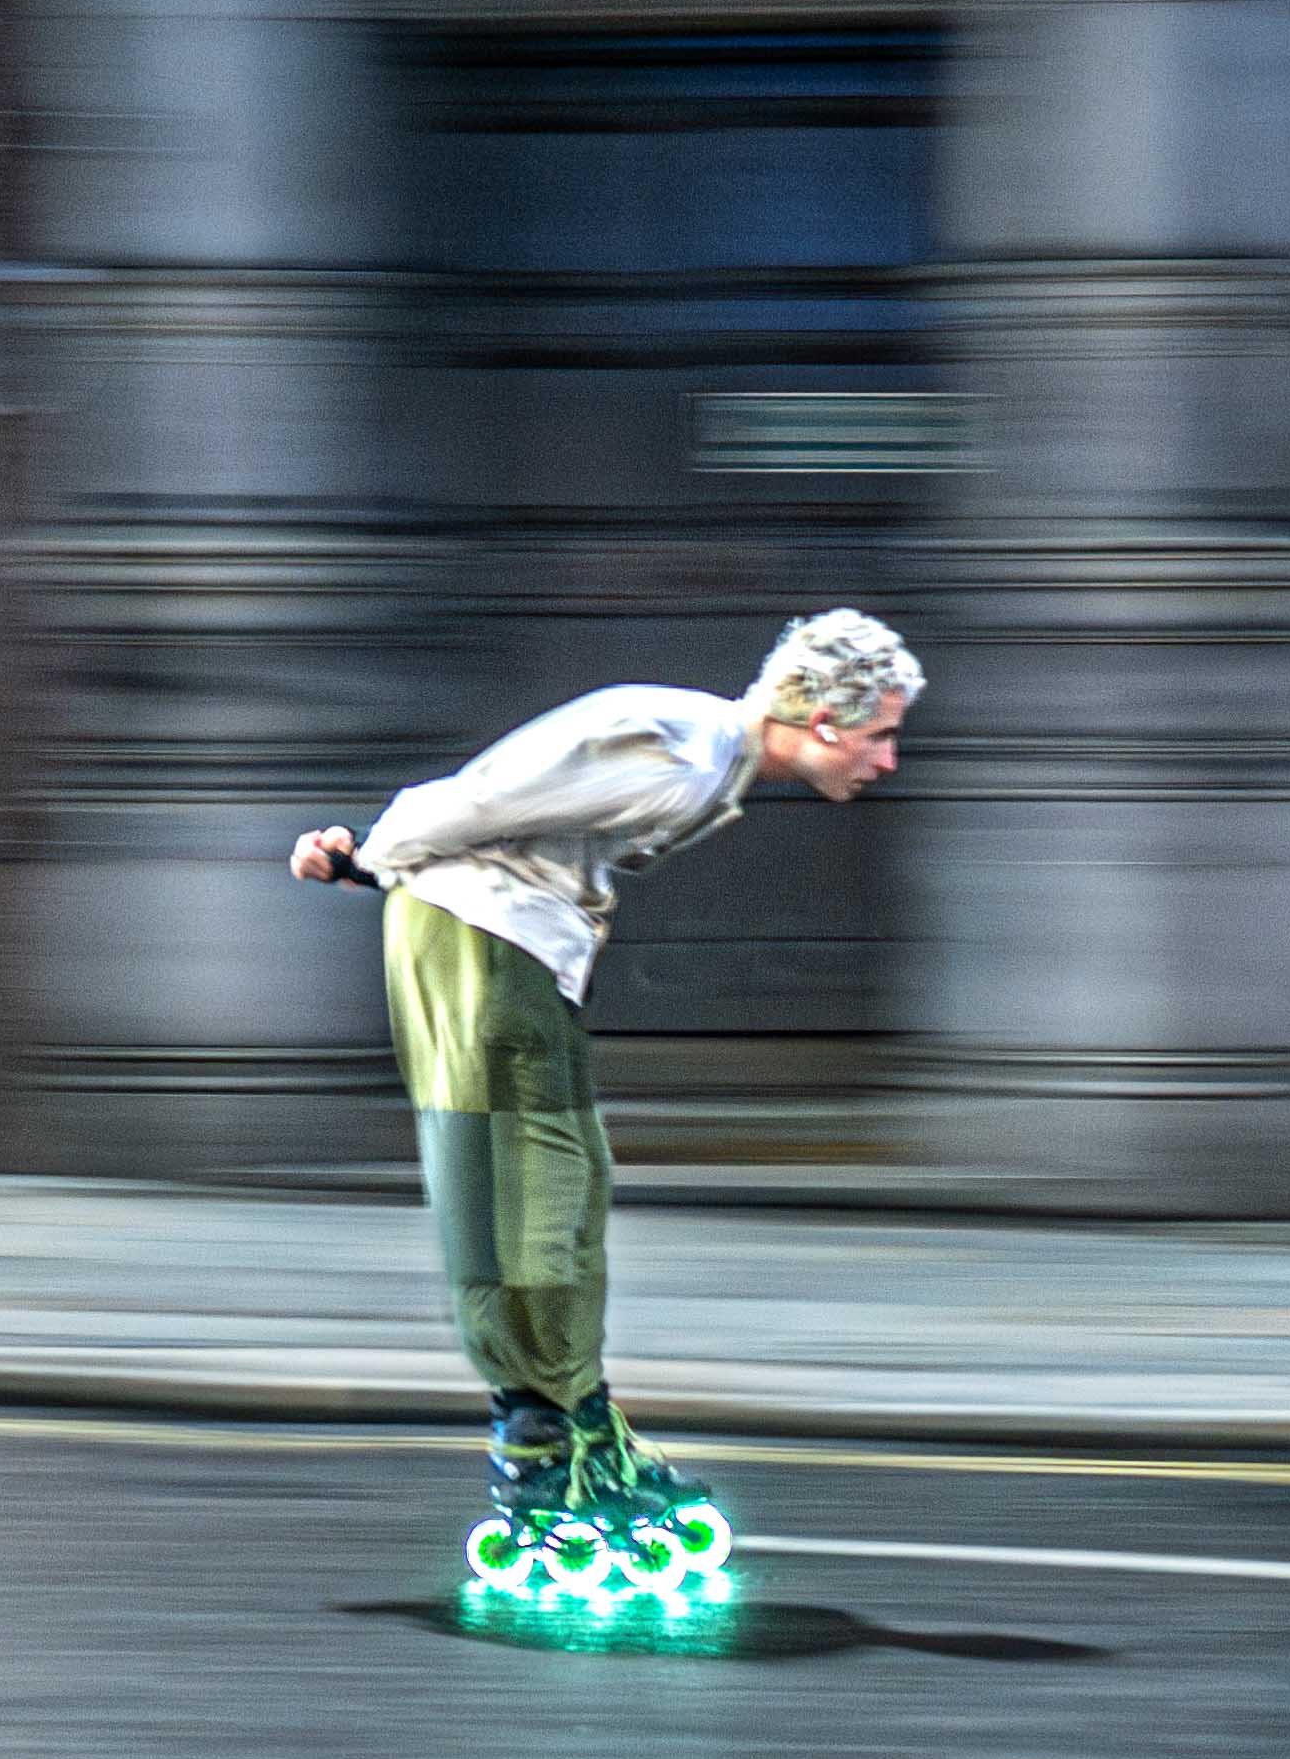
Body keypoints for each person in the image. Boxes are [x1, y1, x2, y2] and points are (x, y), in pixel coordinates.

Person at [288, 607, 921, 1572]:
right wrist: (369, 857)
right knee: (523, 1188)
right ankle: (539, 1441)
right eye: (881, 735)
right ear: (826, 723)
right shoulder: (679, 755)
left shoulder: (708, 757)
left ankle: (572, 1416)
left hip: (504, 943)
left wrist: (377, 863)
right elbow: (489, 794)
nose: (887, 761)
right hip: (481, 940)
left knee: (569, 1178)